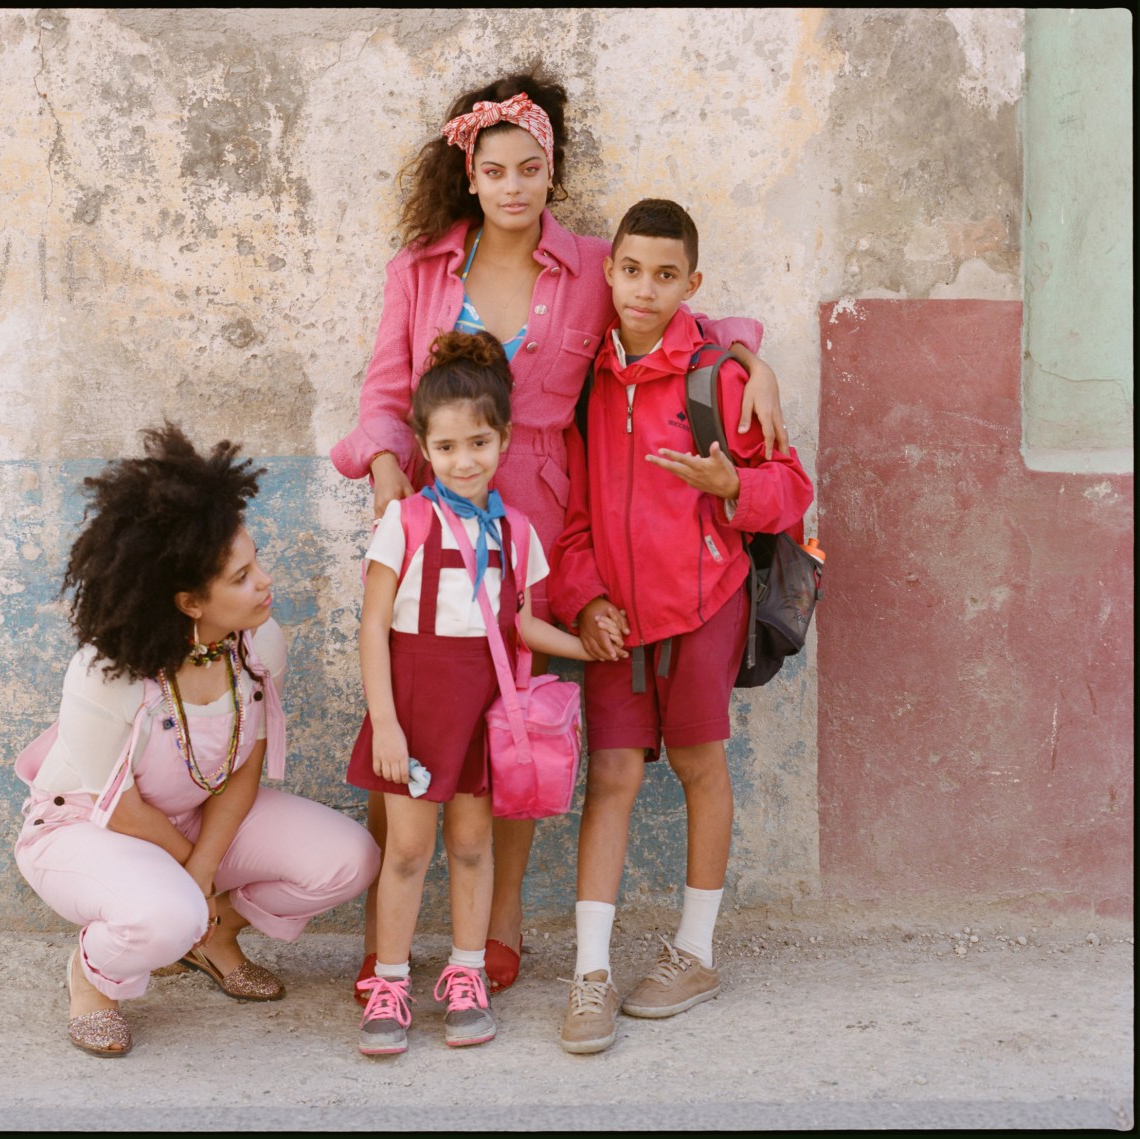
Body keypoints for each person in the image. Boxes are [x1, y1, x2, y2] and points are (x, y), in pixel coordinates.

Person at [330, 68, 791, 999]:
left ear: (551, 173)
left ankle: (496, 928)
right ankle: (389, 938)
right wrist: (386, 470)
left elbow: (673, 314)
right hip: (432, 513)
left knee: (513, 721)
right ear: (470, 172)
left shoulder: (587, 264)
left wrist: (750, 355)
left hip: (538, 514)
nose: (511, 186)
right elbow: (385, 396)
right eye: (494, 169)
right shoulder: (421, 270)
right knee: (418, 717)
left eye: (529, 169)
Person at [12, 422, 381, 1057]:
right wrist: (192, 881)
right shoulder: (106, 675)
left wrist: (203, 870)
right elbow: (117, 805)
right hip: (90, 825)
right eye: (241, 577)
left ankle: (211, 937)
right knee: (166, 912)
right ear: (188, 602)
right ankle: (94, 978)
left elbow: (246, 765)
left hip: (195, 818)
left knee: (350, 858)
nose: (264, 581)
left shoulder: (260, 645)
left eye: (255, 560)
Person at [549, 199, 814, 1054]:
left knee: (701, 764)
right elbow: (577, 514)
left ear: (691, 283)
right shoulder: (591, 378)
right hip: (618, 624)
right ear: (610, 272)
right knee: (613, 777)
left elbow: (789, 489)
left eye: (666, 275)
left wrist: (731, 486)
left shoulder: (722, 377)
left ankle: (695, 952)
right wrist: (585, 601)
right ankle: (591, 971)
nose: (645, 289)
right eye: (631, 270)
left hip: (704, 607)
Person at [345, 331, 600, 1056]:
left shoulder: (518, 534)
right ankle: (390, 982)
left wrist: (586, 647)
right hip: (415, 706)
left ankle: (465, 974)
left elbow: (521, 623)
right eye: (448, 446)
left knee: (470, 846)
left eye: (480, 443)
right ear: (425, 446)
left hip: (482, 711)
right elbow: (372, 629)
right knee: (407, 849)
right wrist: (387, 725)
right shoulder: (406, 521)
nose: (465, 460)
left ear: (506, 440)